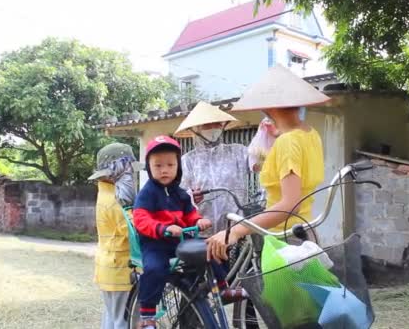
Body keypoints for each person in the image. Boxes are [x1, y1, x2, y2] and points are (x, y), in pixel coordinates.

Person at [206, 65, 331, 262]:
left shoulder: (288, 142)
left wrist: (236, 231)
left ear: (268, 106)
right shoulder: (310, 134)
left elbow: (290, 204)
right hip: (305, 234)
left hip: (287, 242)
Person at [133, 135, 245, 329]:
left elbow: (190, 214)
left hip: (180, 242)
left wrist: (199, 220)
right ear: (149, 168)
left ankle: (222, 289)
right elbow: (141, 219)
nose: (165, 170)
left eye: (170, 164)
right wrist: (163, 228)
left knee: (211, 250)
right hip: (156, 243)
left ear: (178, 167)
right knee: (154, 268)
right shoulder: (147, 193)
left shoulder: (181, 193)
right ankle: (147, 315)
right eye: (158, 165)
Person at [174, 101, 250, 233]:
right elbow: (177, 195)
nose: (213, 127)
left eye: (217, 123)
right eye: (207, 124)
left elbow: (260, 163)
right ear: (196, 129)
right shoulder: (187, 161)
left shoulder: (238, 152)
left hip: (235, 229)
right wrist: (191, 196)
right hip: (202, 230)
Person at [89, 143, 138, 329]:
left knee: (112, 317)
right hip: (120, 270)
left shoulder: (105, 194)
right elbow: (133, 231)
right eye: (127, 168)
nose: (130, 173)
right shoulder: (115, 201)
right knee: (123, 321)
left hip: (108, 268)